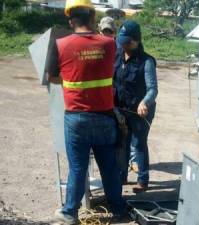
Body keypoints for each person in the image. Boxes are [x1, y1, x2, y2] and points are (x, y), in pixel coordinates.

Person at [46, 0, 126, 223]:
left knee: (78, 167)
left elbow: (51, 77)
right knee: (108, 166)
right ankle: (118, 208)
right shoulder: (110, 44)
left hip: (76, 118)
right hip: (104, 116)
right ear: (93, 18)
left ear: (71, 20)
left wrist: (72, 78)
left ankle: (70, 212)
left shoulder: (60, 45)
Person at [113, 20, 158, 193]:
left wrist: (144, 102)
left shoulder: (146, 62)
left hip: (140, 112)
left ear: (135, 41)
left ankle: (142, 180)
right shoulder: (117, 56)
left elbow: (153, 89)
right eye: (121, 41)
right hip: (121, 110)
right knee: (122, 143)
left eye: (126, 41)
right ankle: (121, 176)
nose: (122, 45)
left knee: (138, 144)